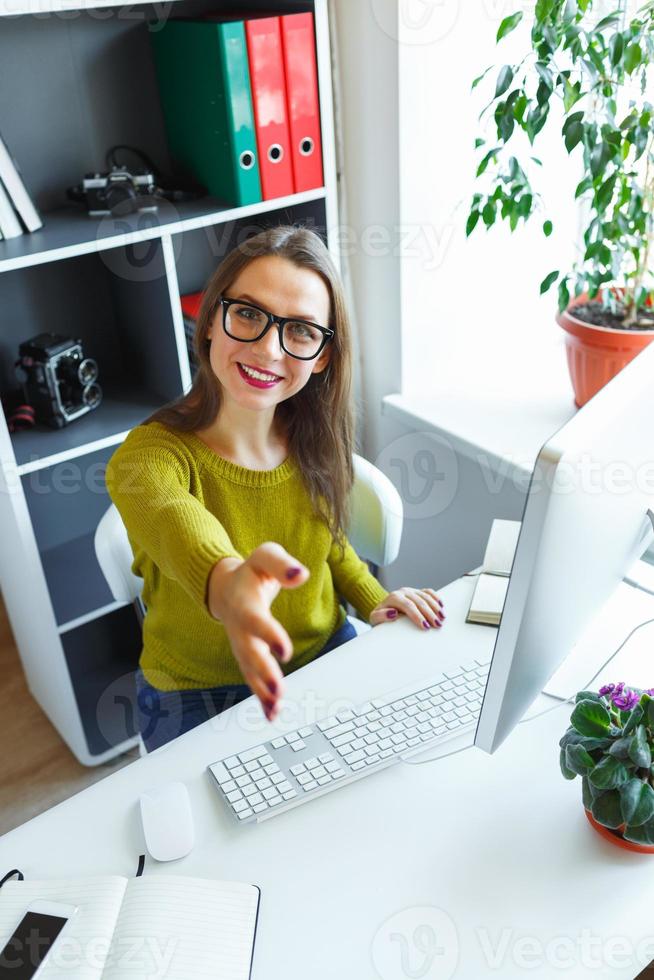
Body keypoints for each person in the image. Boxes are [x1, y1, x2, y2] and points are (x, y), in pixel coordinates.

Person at [105, 225, 445, 752]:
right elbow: (181, 527)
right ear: (212, 318)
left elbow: (330, 550)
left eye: (302, 331)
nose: (268, 349)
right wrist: (231, 586)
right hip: (197, 693)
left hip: (324, 653)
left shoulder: (316, 440)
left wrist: (376, 600)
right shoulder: (146, 459)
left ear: (324, 356)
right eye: (247, 313)